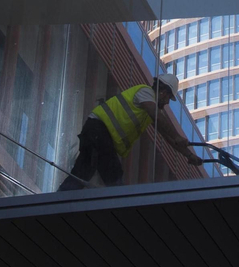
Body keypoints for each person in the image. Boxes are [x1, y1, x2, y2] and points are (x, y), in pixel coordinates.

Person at [60, 75, 199, 189]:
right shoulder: (145, 93)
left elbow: (167, 136)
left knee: (83, 171)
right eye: (168, 98)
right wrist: (177, 136)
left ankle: (61, 197)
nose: (167, 102)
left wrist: (188, 154)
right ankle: (118, 205)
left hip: (95, 131)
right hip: (99, 130)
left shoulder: (148, 110)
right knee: (113, 174)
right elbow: (159, 118)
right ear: (163, 92)